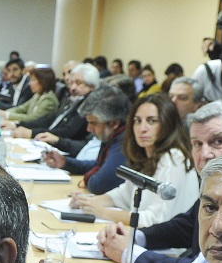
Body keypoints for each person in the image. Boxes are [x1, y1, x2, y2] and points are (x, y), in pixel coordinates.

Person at [96, 100, 222, 263]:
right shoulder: (219, 187)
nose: (205, 154)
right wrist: (135, 237)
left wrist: (130, 254)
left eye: (218, 142)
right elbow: (185, 226)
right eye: (197, 143)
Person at [70, 93, 198, 226]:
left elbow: (155, 219)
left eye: (152, 121)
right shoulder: (146, 156)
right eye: (137, 121)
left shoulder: (174, 158)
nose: (142, 129)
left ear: (167, 124)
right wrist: (88, 202)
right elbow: (123, 195)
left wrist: (101, 212)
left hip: (167, 245)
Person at [42, 84, 130, 194]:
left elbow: (99, 184)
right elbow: (98, 165)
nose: (88, 129)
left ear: (113, 123)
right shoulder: (112, 135)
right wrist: (65, 163)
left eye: (93, 123)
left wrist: (87, 178)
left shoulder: (125, 142)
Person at [32, 63, 100, 156]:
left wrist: (32, 133)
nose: (72, 88)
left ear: (91, 86)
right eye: (72, 83)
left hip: (67, 150)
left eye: (78, 83)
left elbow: (70, 131)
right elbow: (51, 118)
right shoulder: (71, 99)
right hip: (51, 142)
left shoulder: (90, 105)